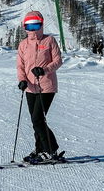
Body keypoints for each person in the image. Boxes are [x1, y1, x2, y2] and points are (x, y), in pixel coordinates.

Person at [16, 10, 63, 164]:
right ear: (25, 27)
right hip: (30, 87)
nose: (33, 29)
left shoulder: (49, 41)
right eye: (29, 26)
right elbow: (20, 66)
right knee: (36, 120)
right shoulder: (23, 44)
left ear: (41, 25)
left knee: (37, 119)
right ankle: (40, 148)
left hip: (47, 86)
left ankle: (50, 149)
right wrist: (22, 80)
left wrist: (44, 70)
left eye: (36, 25)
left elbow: (58, 61)